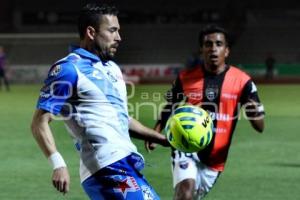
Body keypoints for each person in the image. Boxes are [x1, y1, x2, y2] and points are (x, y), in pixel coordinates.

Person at [31, 3, 169, 200]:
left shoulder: (112, 68)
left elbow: (122, 119)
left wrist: (160, 138)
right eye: (112, 31)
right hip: (107, 168)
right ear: (91, 32)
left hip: (123, 164)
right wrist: (58, 163)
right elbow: (39, 122)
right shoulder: (68, 69)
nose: (119, 38)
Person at [146, 24, 265, 200]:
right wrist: (156, 131)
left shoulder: (243, 82)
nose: (213, 49)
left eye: (218, 44)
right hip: (186, 146)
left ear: (227, 50)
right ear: (201, 49)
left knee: (191, 197)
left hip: (216, 160)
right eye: (208, 44)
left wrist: (253, 111)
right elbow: (170, 104)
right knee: (184, 194)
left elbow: (260, 126)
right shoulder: (185, 77)